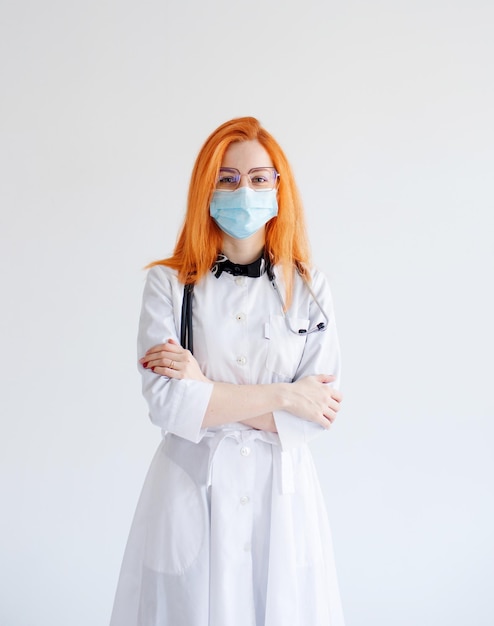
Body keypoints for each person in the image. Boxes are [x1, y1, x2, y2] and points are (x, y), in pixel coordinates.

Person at [109, 116, 345, 626]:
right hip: (192, 491)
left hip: (280, 500)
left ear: (279, 187)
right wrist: (284, 396)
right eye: (229, 178)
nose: (246, 191)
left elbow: (315, 414)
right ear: (206, 187)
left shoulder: (309, 288)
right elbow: (170, 405)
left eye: (260, 178)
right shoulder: (168, 286)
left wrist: (206, 392)